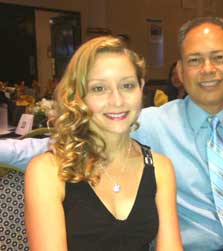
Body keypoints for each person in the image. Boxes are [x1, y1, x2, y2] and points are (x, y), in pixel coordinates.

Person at [1, 17, 223, 251]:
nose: (207, 70)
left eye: (218, 58)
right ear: (181, 69)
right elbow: (66, 144)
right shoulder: (146, 123)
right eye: (194, 60)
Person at [23, 36, 182, 251]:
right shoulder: (47, 171)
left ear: (141, 87)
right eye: (99, 88)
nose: (117, 100)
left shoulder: (160, 168)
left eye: (127, 85)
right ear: (78, 95)